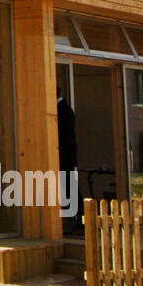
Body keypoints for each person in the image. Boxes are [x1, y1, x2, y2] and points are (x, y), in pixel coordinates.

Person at [57, 86, 79, 228]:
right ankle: (76, 221)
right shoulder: (64, 109)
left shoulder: (63, 111)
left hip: (64, 156)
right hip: (66, 156)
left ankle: (79, 221)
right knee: (69, 189)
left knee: (70, 189)